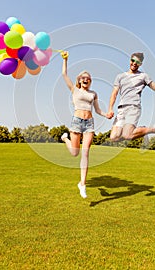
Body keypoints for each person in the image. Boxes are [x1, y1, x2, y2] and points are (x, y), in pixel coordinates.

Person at [60, 51, 112, 199]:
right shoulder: (74, 89)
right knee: (75, 153)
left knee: (85, 152)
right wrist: (66, 60)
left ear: (90, 81)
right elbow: (64, 74)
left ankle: (82, 184)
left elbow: (97, 110)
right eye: (83, 78)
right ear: (79, 80)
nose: (85, 80)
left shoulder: (93, 93)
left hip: (89, 123)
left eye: (88, 78)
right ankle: (65, 139)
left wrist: (106, 114)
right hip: (76, 122)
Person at [107, 52, 155, 142]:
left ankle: (153, 129)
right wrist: (110, 109)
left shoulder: (143, 76)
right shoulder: (120, 76)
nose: (134, 63)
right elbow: (114, 93)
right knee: (114, 137)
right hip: (121, 109)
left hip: (133, 107)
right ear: (130, 60)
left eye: (138, 62)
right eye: (133, 60)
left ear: (140, 64)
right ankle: (142, 130)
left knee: (127, 135)